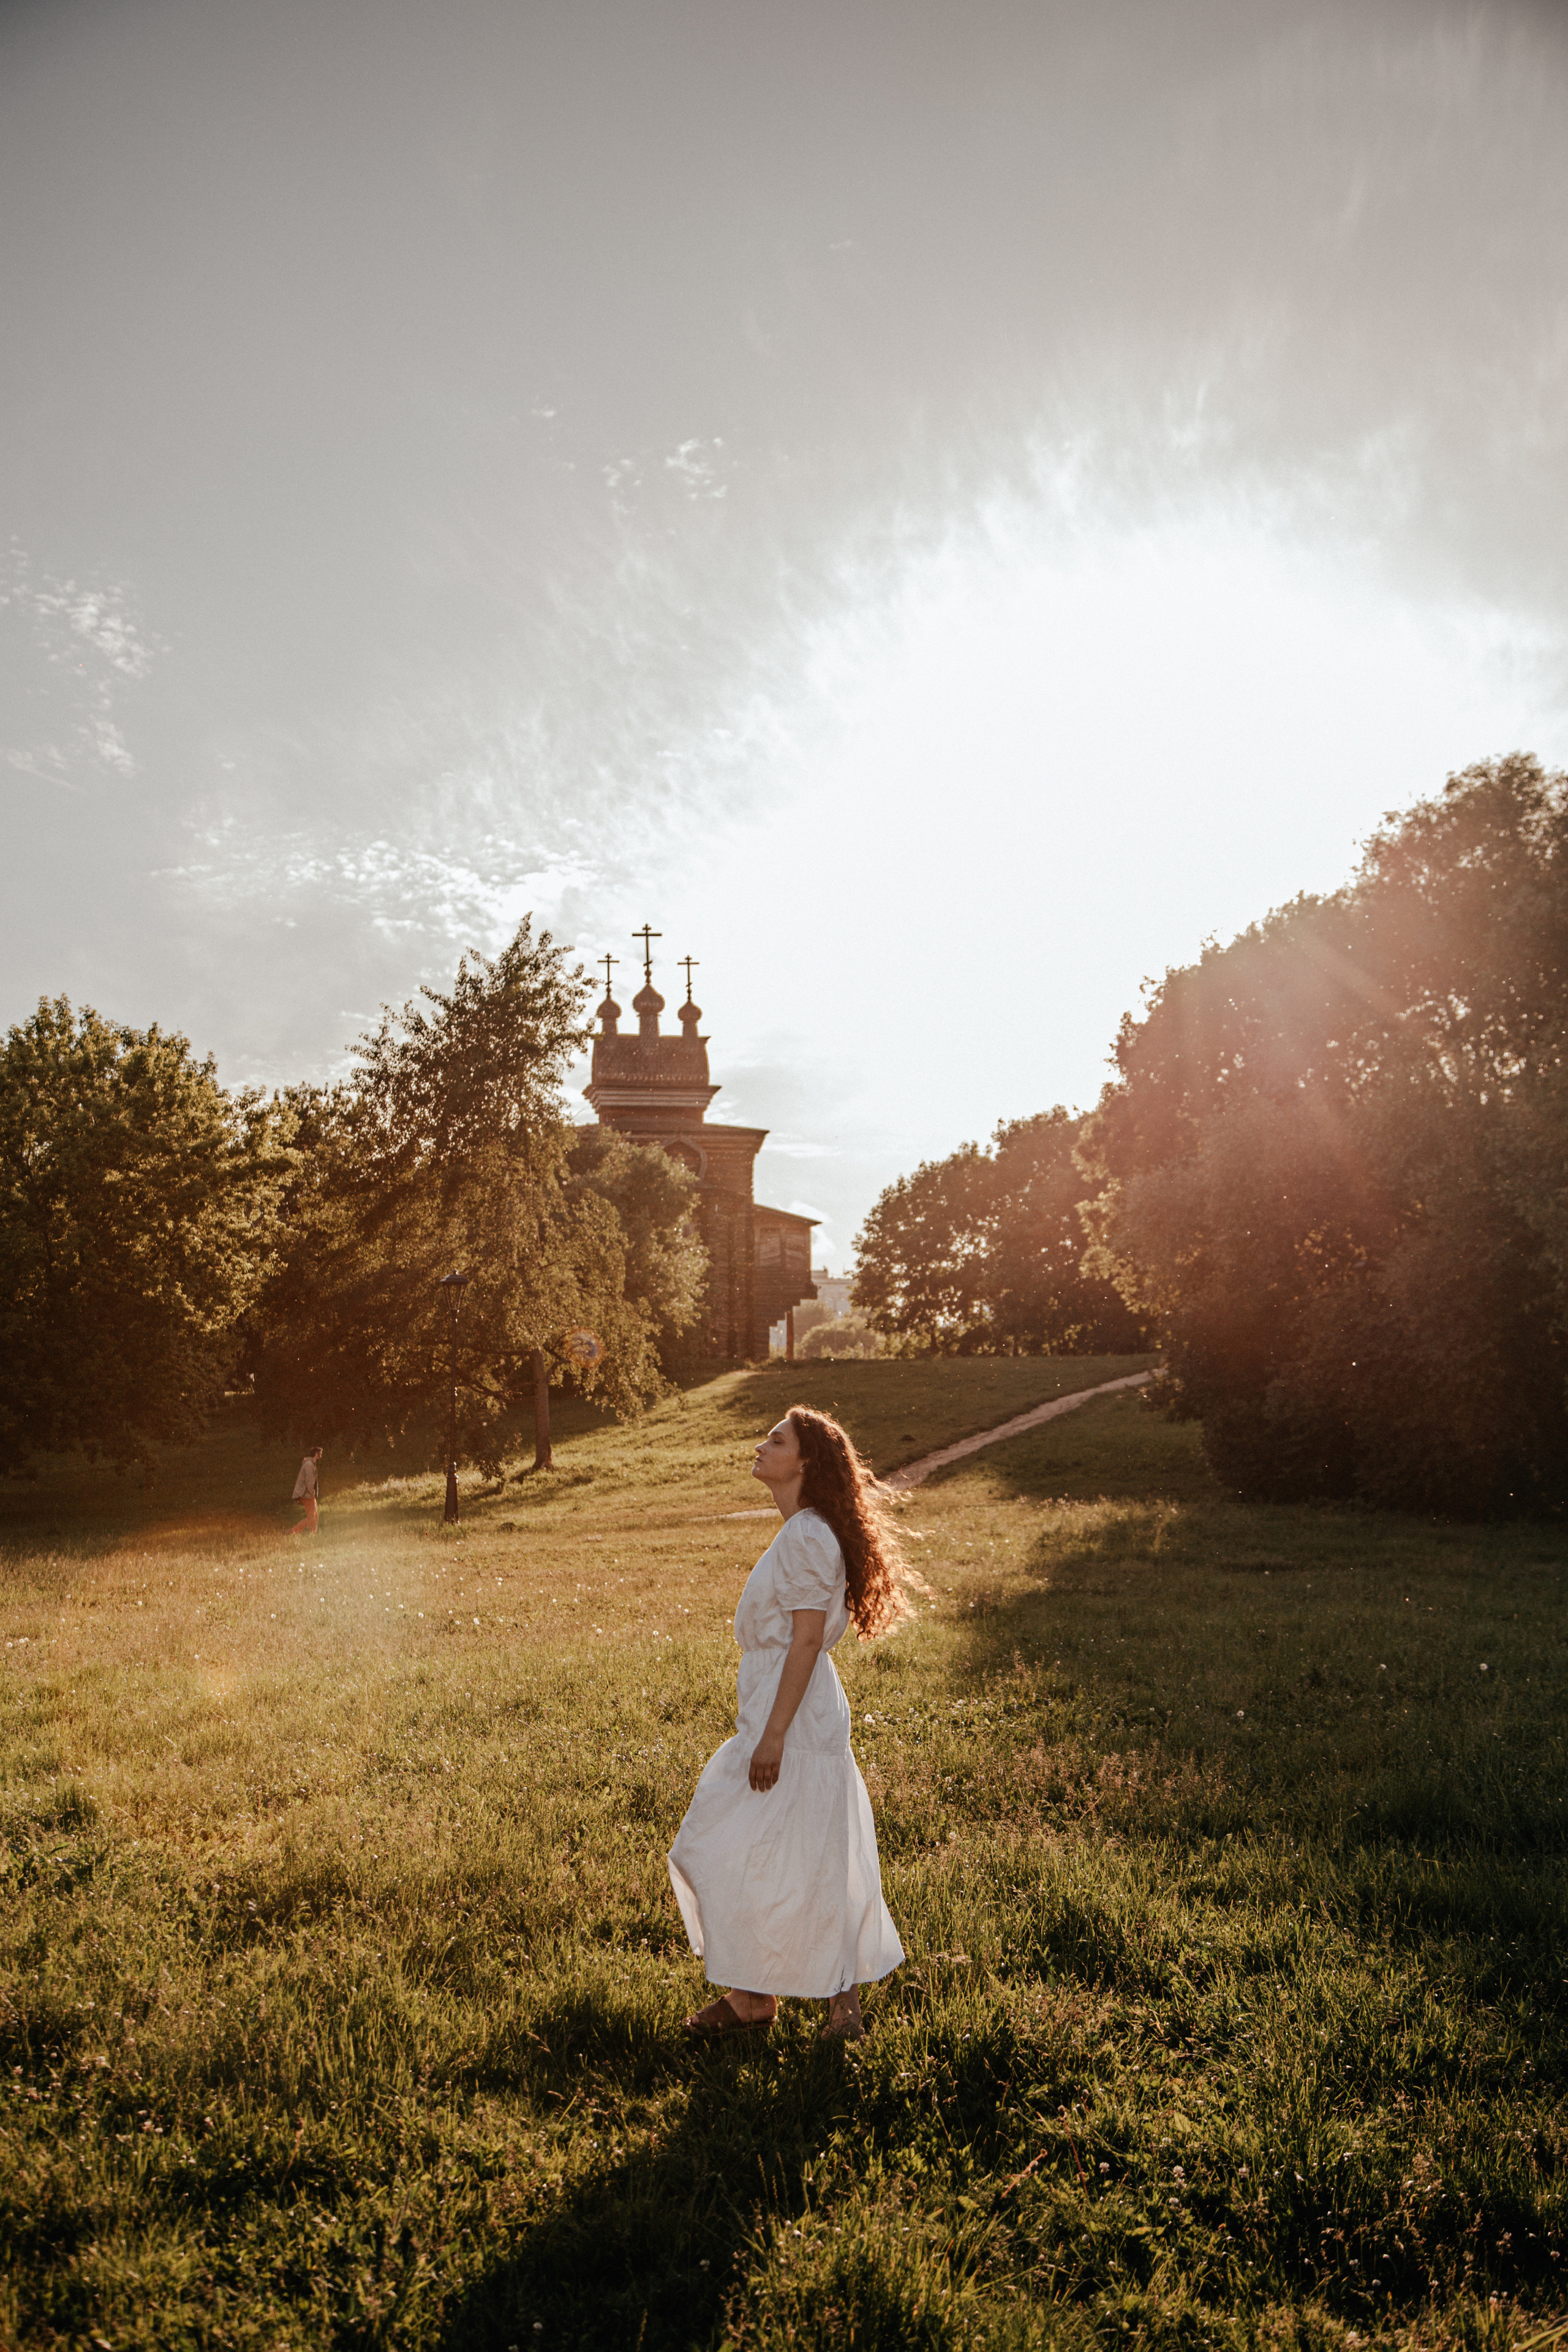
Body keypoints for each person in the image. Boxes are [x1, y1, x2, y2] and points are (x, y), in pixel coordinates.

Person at [668, 1406, 909, 2044]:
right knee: (769, 1846)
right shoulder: (804, 1529)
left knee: (754, 1844)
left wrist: (773, 1735)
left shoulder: (806, 1535)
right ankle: (755, 1998)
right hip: (782, 1708)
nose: (760, 1445)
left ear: (804, 1462)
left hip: (794, 1717)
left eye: (775, 1440)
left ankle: (836, 2010)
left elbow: (805, 1641)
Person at [290, 1447, 323, 1535]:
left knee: (315, 1516)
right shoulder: (309, 1465)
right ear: (316, 1454)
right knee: (311, 1517)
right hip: (306, 1495)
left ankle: (313, 1535)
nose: (321, 1456)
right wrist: (312, 1494)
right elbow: (309, 1483)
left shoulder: (311, 1465)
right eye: (320, 1454)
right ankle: (292, 1532)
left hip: (309, 1494)